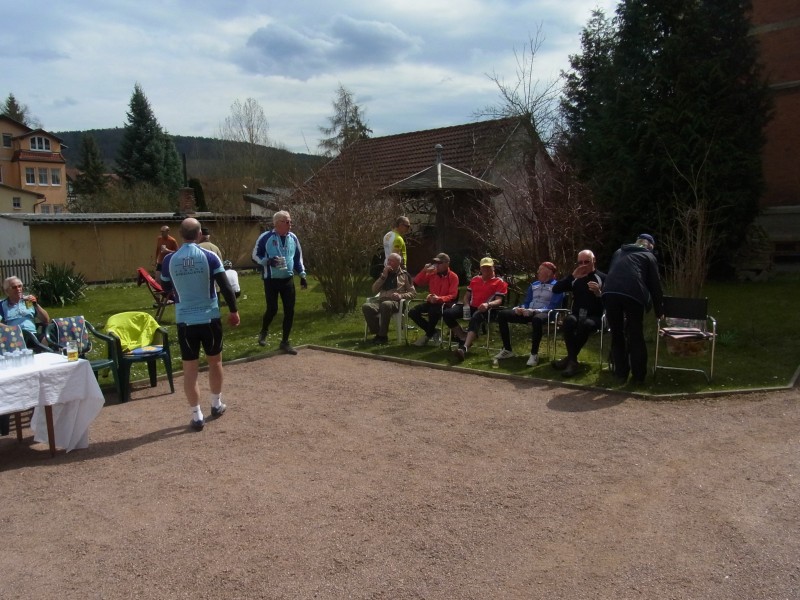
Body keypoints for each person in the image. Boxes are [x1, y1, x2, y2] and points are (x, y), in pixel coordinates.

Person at [160, 218, 240, 432]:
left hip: (185, 320)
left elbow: (165, 286)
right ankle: (216, 403)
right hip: (209, 318)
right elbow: (225, 286)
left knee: (190, 370)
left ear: (180, 234)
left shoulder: (169, 260)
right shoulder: (210, 256)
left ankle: (196, 415)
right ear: (199, 235)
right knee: (215, 362)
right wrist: (233, 310)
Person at [602, 233, 664, 383]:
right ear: (650, 246)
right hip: (633, 293)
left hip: (609, 292)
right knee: (635, 334)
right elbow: (655, 285)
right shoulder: (648, 256)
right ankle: (638, 376)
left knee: (617, 333)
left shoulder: (619, 252)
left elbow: (613, 272)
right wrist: (659, 311)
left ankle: (620, 373)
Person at [252, 210, 308, 354]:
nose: (290, 224)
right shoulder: (266, 237)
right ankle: (264, 331)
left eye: (290, 221)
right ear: (277, 223)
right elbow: (255, 255)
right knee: (272, 309)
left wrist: (302, 275)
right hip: (271, 279)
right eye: (287, 221)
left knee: (290, 311)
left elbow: (298, 258)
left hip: (288, 279)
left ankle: (285, 342)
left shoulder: (293, 237)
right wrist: (267, 261)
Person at [493, 261, 563, 367]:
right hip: (529, 312)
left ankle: (534, 354)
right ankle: (507, 349)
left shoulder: (557, 286)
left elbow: (552, 306)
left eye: (540, 270)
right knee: (502, 314)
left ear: (548, 273)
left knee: (537, 319)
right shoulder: (534, 285)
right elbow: (526, 302)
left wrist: (534, 311)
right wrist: (520, 308)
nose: (537, 272)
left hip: (546, 313)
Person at [551, 250, 606, 377]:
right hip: (577, 314)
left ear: (594, 261)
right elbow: (556, 289)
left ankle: (570, 359)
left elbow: (610, 302)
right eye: (580, 262)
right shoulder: (576, 278)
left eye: (586, 262)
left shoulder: (602, 278)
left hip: (595, 316)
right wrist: (572, 276)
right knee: (568, 321)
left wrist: (599, 293)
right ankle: (573, 361)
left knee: (585, 324)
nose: (583, 265)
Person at [443, 257, 507, 360]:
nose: (486, 269)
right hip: (472, 306)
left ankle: (464, 348)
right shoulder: (475, 279)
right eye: (484, 267)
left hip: (488, 309)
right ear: (480, 268)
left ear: (493, 268)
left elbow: (499, 300)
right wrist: (466, 304)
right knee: (447, 313)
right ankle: (462, 336)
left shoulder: (499, 282)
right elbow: (467, 296)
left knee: (476, 316)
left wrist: (488, 304)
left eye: (488, 267)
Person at [362, 252, 416, 344]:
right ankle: (378, 333)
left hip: (396, 302)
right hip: (381, 300)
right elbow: (374, 289)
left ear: (398, 263)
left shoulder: (405, 275)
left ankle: (383, 336)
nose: (389, 263)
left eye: (392, 261)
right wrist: (384, 276)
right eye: (388, 260)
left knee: (386, 304)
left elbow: (413, 293)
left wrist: (401, 296)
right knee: (366, 306)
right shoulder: (384, 274)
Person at [409, 252, 460, 346]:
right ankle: (434, 332)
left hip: (445, 304)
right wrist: (424, 271)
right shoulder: (432, 274)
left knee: (433, 311)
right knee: (412, 312)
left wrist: (439, 298)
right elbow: (417, 282)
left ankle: (427, 336)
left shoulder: (453, 276)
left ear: (447, 263)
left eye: (439, 263)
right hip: (432, 302)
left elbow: (453, 295)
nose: (437, 265)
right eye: (436, 263)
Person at [0, 276, 50, 341]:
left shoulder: (27, 301)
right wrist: (11, 329)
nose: (18, 289)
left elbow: (46, 319)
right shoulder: (2, 305)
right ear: (7, 291)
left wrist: (36, 305)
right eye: (14, 287)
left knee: (48, 340)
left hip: (32, 334)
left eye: (19, 286)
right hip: (13, 336)